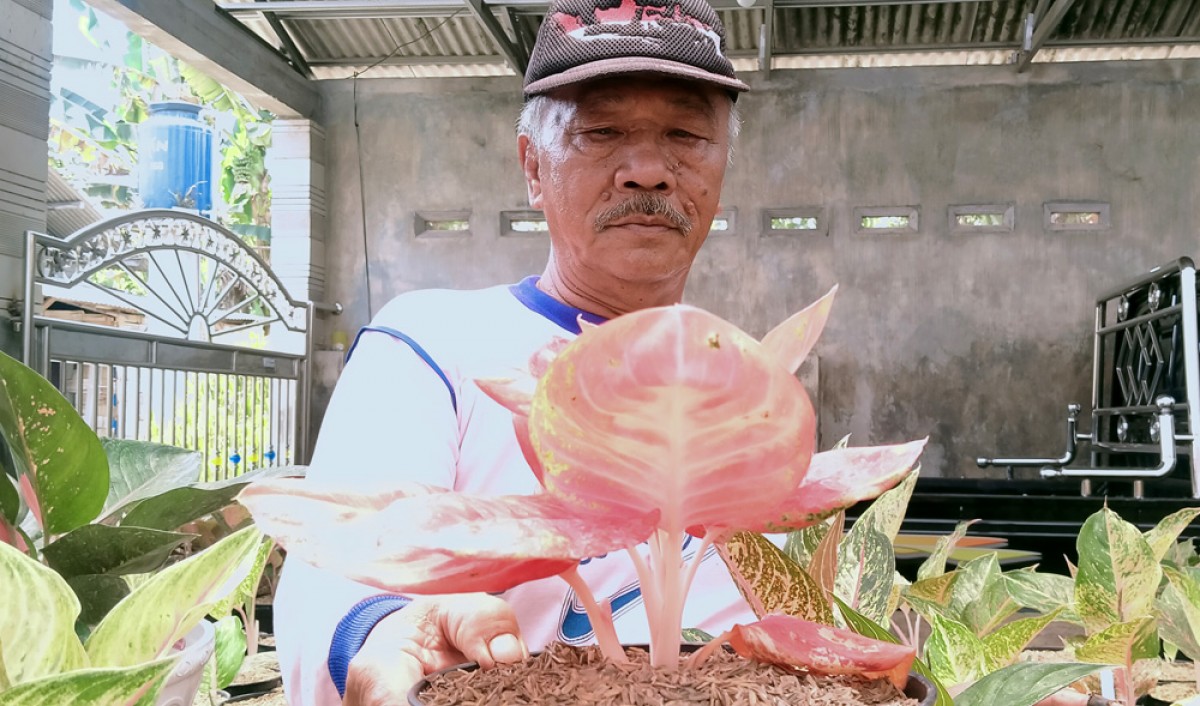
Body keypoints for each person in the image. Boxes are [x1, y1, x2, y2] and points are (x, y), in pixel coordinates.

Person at [272, 0, 754, 704]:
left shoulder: (743, 382)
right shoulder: (433, 345)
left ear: (721, 168)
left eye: (686, 134)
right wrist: (378, 629)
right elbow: (345, 560)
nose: (648, 170)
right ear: (532, 166)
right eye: (601, 131)